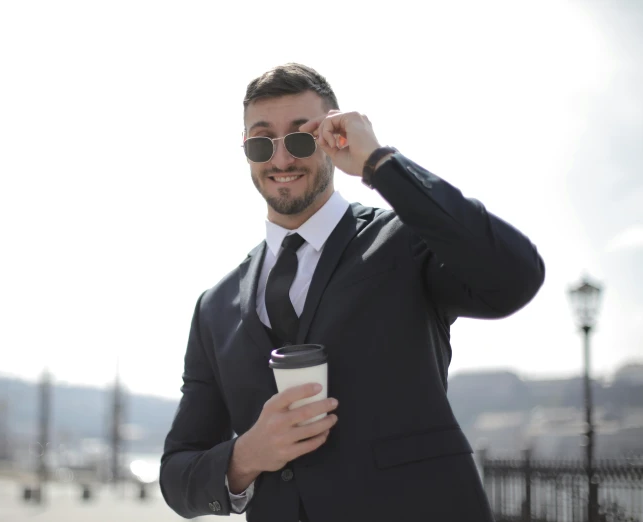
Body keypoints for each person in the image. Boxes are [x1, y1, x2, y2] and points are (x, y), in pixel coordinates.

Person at [159, 63, 545, 522]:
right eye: (262, 142)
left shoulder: (404, 241)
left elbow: (514, 275)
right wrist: (246, 455)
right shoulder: (214, 307)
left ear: (331, 137)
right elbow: (177, 474)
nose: (281, 160)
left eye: (301, 138)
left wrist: (379, 163)